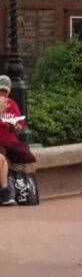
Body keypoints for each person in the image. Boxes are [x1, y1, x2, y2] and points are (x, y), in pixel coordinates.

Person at [0, 76, 32, 206]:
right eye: (0, 91)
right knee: (1, 158)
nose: (2, 94)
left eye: (4, 91)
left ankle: (29, 189)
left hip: (11, 140)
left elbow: (19, 125)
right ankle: (5, 193)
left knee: (28, 156)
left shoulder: (12, 104)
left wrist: (16, 126)